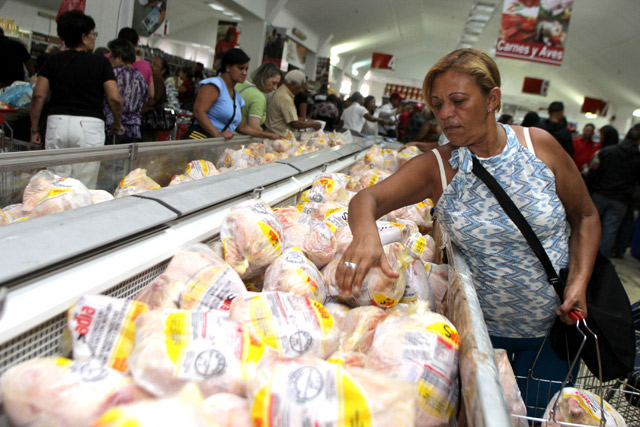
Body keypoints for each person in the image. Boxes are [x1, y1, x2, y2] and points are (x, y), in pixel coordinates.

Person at [336, 48, 599, 414]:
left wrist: (580, 280)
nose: (445, 114)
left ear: (492, 99)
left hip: (553, 334)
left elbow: (585, 216)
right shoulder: (438, 168)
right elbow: (367, 199)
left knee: (545, 417)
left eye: (458, 101)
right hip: (478, 341)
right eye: (437, 104)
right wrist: (366, 235)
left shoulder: (539, 148)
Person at [30, 10, 123, 189]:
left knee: (56, 183)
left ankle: (57, 214)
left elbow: (38, 95)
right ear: (84, 37)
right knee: (84, 186)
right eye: (93, 34)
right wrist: (117, 123)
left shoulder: (52, 61)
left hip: (56, 122)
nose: (94, 38)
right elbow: (115, 98)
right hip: (89, 125)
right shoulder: (101, 63)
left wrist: (34, 128)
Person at [187, 48, 281, 141]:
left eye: (246, 69)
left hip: (214, 145)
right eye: (241, 68)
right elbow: (199, 111)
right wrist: (217, 134)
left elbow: (242, 127)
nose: (244, 73)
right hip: (201, 140)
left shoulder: (237, 98)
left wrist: (269, 135)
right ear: (228, 67)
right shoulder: (215, 85)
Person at [587, 124, 640, 258]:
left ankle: (582, 254)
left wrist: (589, 190)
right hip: (621, 199)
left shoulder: (607, 152)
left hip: (600, 193)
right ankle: (600, 261)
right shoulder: (637, 159)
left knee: (589, 226)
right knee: (610, 230)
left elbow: (593, 172)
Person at [104, 38, 148, 144]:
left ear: (119, 58)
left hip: (114, 128)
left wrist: (117, 121)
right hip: (133, 130)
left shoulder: (113, 74)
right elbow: (146, 100)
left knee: (109, 160)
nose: (109, 59)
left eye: (111, 56)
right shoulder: (140, 77)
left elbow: (113, 99)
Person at [265, 69, 323, 134]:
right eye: (299, 87)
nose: (300, 90)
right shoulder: (285, 97)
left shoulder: (281, 91)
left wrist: (306, 120)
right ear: (293, 84)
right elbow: (294, 124)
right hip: (278, 134)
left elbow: (289, 117)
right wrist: (313, 125)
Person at [234, 62, 281, 131]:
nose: (275, 88)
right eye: (273, 83)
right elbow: (254, 128)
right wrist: (261, 130)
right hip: (240, 139)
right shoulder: (258, 97)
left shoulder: (239, 84)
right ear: (263, 78)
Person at [116, 27, 155, 102]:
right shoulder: (144, 65)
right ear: (136, 45)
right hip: (134, 111)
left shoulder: (108, 58)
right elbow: (151, 95)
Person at [141, 55, 169, 142]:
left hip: (149, 121)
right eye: (151, 63)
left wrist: (139, 114)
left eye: (156, 65)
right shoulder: (149, 78)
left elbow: (151, 102)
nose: (152, 66)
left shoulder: (158, 81)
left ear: (163, 70)